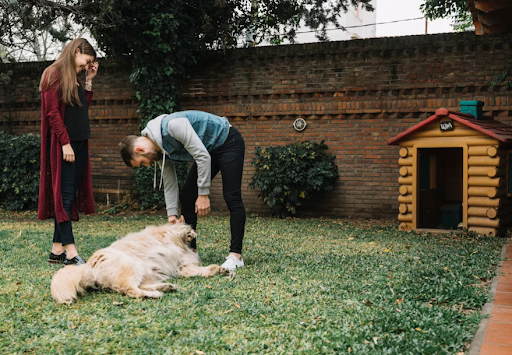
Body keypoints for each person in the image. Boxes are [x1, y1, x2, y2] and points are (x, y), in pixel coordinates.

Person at [119, 110, 246, 271]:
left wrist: (203, 194)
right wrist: (171, 215)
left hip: (228, 141)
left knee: (231, 196)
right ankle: (191, 253)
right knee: (187, 196)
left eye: (142, 162)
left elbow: (202, 157)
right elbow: (170, 183)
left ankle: (236, 256)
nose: (148, 165)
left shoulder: (173, 126)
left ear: (139, 150)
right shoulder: (159, 151)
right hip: (209, 150)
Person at [38, 38, 99, 266]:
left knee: (68, 197)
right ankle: (71, 253)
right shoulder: (53, 74)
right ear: (76, 51)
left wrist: (89, 81)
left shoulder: (73, 77)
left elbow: (81, 108)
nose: (87, 65)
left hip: (80, 144)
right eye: (87, 60)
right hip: (65, 146)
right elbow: (52, 113)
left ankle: (56, 251)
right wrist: (65, 143)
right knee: (63, 198)